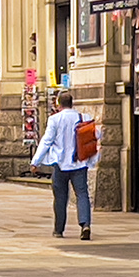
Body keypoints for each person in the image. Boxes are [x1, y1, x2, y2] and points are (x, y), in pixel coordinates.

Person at [31, 90, 99, 239]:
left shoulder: (55, 120)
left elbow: (47, 141)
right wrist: (92, 161)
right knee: (82, 194)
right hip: (80, 163)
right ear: (71, 103)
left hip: (60, 165)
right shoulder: (84, 117)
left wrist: (36, 161)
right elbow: (95, 136)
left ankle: (58, 229)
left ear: (58, 103)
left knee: (60, 197)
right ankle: (85, 224)